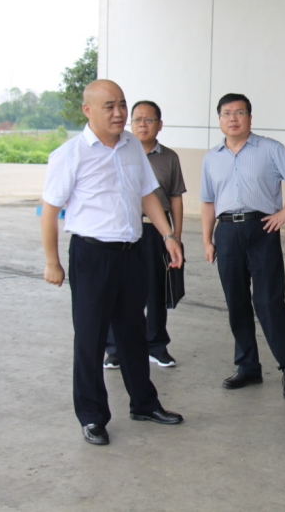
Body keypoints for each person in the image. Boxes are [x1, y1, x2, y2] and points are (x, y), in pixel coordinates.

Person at [41, 80, 185, 446]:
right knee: (90, 339)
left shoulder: (131, 145)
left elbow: (147, 194)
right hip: (92, 256)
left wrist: (168, 236)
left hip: (131, 253)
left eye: (122, 104)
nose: (119, 113)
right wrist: (52, 262)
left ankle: (144, 404)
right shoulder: (69, 154)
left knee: (133, 333)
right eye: (110, 106)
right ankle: (92, 416)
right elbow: (50, 211)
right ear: (87, 110)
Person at [200, 93, 285, 400]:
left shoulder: (269, 148)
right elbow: (208, 201)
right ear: (219, 119)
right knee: (236, 302)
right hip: (226, 232)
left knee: (269, 301)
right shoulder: (211, 157)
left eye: (239, 112)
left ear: (250, 117)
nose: (233, 118)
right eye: (226, 113)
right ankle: (248, 366)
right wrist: (207, 240)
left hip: (262, 229)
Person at [102, 100, 186, 370]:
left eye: (148, 120)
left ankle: (156, 346)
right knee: (119, 290)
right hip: (122, 229)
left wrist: (174, 236)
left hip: (155, 231)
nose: (142, 124)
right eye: (137, 119)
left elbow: (176, 198)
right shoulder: (118, 152)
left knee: (155, 290)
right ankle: (115, 349)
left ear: (159, 125)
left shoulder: (169, 157)